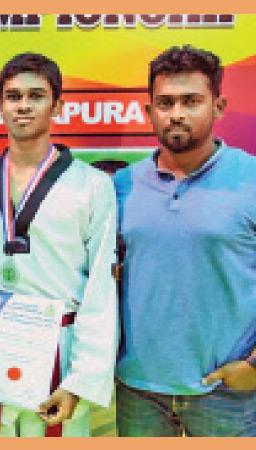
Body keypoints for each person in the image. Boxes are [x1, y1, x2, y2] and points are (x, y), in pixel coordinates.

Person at [0, 53, 118, 437]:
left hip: (59, 359)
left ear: (58, 105)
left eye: (36, 96)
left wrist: (80, 380)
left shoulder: (92, 186)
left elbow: (101, 289)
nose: (23, 106)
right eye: (13, 96)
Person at [114, 45, 256, 436]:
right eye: (165, 102)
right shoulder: (121, 186)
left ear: (219, 106)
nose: (176, 113)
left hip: (226, 395)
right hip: (137, 392)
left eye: (191, 101)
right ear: (149, 111)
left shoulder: (252, 180)